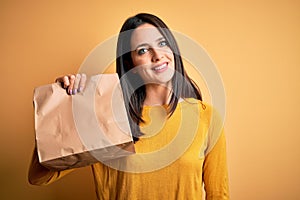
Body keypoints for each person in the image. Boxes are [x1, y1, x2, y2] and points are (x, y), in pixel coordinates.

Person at [28, 13, 229, 199]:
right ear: (131, 65)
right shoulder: (106, 114)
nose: (157, 55)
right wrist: (63, 106)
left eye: (162, 43)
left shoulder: (206, 118)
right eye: (143, 50)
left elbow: (218, 194)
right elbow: (38, 177)